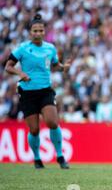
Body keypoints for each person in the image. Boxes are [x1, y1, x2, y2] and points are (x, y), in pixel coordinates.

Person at [4, 14, 72, 169]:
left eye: (40, 30)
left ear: (44, 32)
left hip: (45, 91)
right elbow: (8, 66)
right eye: (35, 30)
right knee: (34, 129)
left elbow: (54, 65)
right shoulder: (23, 48)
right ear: (30, 32)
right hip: (27, 93)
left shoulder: (50, 48)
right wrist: (20, 74)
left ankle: (60, 156)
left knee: (52, 122)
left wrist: (63, 68)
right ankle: (36, 158)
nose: (38, 33)